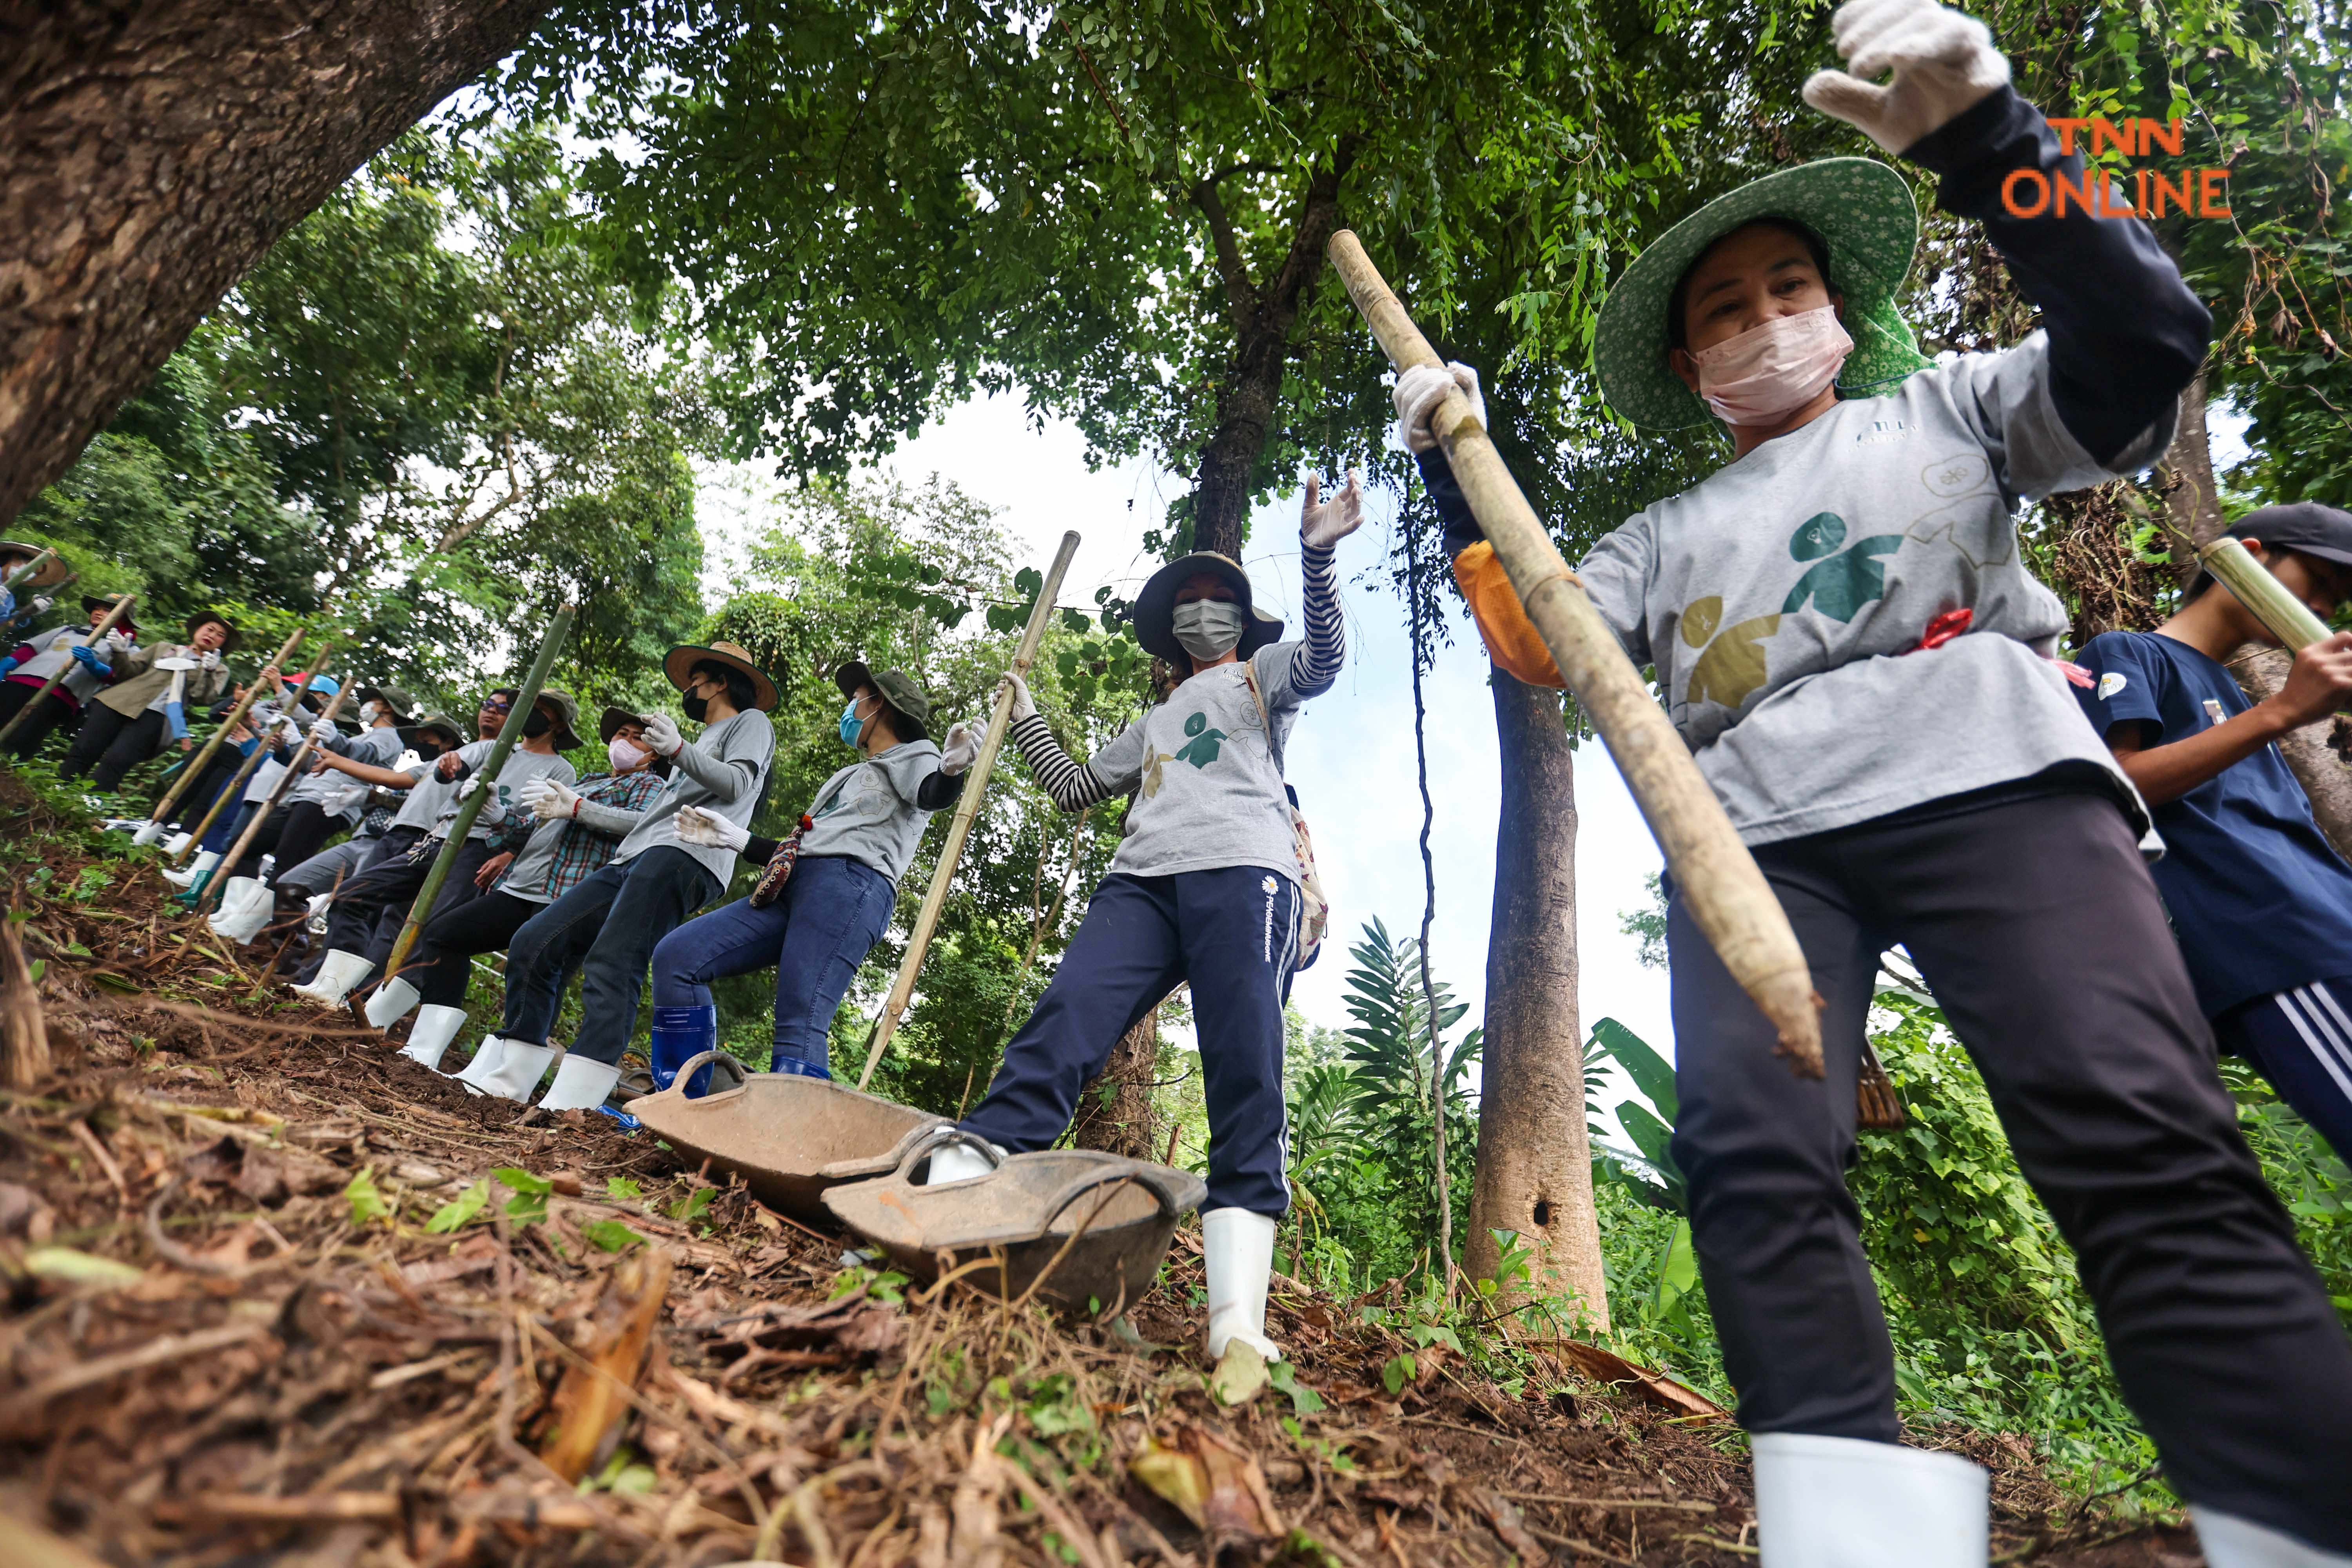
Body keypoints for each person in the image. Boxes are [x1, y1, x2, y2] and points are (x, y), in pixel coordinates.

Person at [1397, 3, 2352, 1561]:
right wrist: (1455, 459)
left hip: (2002, 780)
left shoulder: (1954, 410)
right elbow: (1540, 638)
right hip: (1757, 841)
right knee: (1760, 1167)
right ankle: (1846, 1525)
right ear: (1694, 362)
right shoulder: (1655, 537)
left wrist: (1997, 148)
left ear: (1840, 309)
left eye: (1790, 286)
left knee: (2130, 1121)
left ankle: (2302, 1517)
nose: (1764, 317)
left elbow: (2146, 344)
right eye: (1726, 309)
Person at [931, 474, 1356, 1371]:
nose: (1204, 612)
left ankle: (1235, 1319)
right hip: (1141, 885)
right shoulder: (1156, 716)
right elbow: (1080, 787)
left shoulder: (1261, 676)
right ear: (1170, 632)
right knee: (1062, 1025)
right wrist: (1028, 719)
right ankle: (950, 1207)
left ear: (1241, 618)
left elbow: (1323, 660)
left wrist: (1316, 557)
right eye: (1189, 604)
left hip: (1246, 874)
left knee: (1246, 1073)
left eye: (1219, 600)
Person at [2074, 505, 2352, 1163]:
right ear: (2251, 556)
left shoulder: (2230, 689)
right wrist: (2283, 711)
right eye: (2313, 580)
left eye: (2334, 603)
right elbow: (2113, 786)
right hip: (2282, 951)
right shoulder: (2127, 652)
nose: (2319, 607)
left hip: (2329, 931)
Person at [457, 641, 777, 1111]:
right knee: (536, 940)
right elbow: (653, 815)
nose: (688, 688)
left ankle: (574, 1101)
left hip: (685, 855)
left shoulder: (751, 723)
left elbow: (738, 784)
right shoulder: (703, 738)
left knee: (614, 960)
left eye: (694, 680)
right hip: (632, 857)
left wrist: (680, 750)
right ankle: (510, 1077)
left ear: (719, 682)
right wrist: (577, 807)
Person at [641, 664, 972, 1094]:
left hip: (851, 887)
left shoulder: (919, 754)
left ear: (880, 705)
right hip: (798, 884)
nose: (851, 708)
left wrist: (950, 773)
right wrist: (735, 838)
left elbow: (932, 794)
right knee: (678, 957)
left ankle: (785, 1141)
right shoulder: (852, 774)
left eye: (858, 698)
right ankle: (684, 1099)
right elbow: (810, 847)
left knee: (801, 1013)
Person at [365, 708, 671, 1072]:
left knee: (537, 970)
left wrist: (577, 808)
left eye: (639, 738)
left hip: (571, 897)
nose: (627, 742)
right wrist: (494, 811)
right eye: (622, 734)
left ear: (655, 754)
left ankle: (507, 1073)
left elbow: (641, 827)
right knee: (445, 936)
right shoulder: (587, 782)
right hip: (521, 888)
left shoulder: (650, 787)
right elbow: (527, 828)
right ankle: (424, 1048)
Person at [288, 689, 581, 1009]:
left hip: (479, 851)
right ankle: (333, 985)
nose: (532, 713)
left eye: (543, 710)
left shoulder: (561, 771)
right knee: (352, 894)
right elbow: (447, 770)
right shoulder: (496, 749)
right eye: (531, 706)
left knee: (433, 931)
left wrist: (506, 854)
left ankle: (376, 1012)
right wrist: (450, 764)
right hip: (437, 839)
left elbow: (540, 829)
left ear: (559, 725)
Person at [58, 611, 237, 791]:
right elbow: (127, 673)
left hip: (157, 717)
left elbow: (203, 697)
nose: (212, 636)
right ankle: (59, 790)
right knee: (85, 749)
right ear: (198, 630)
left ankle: (88, 804)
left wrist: (207, 672)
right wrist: (120, 653)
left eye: (220, 635)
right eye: (210, 630)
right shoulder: (163, 648)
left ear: (223, 643)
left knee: (118, 761)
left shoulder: (219, 669)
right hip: (117, 702)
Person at [0, 594, 134, 760]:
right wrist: (7, 665)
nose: (98, 612)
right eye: (97, 608)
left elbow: (121, 677)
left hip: (59, 696)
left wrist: (95, 665)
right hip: (19, 682)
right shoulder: (69, 629)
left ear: (123, 618)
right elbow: (31, 650)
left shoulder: (126, 648)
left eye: (107, 610)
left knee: (22, 740)